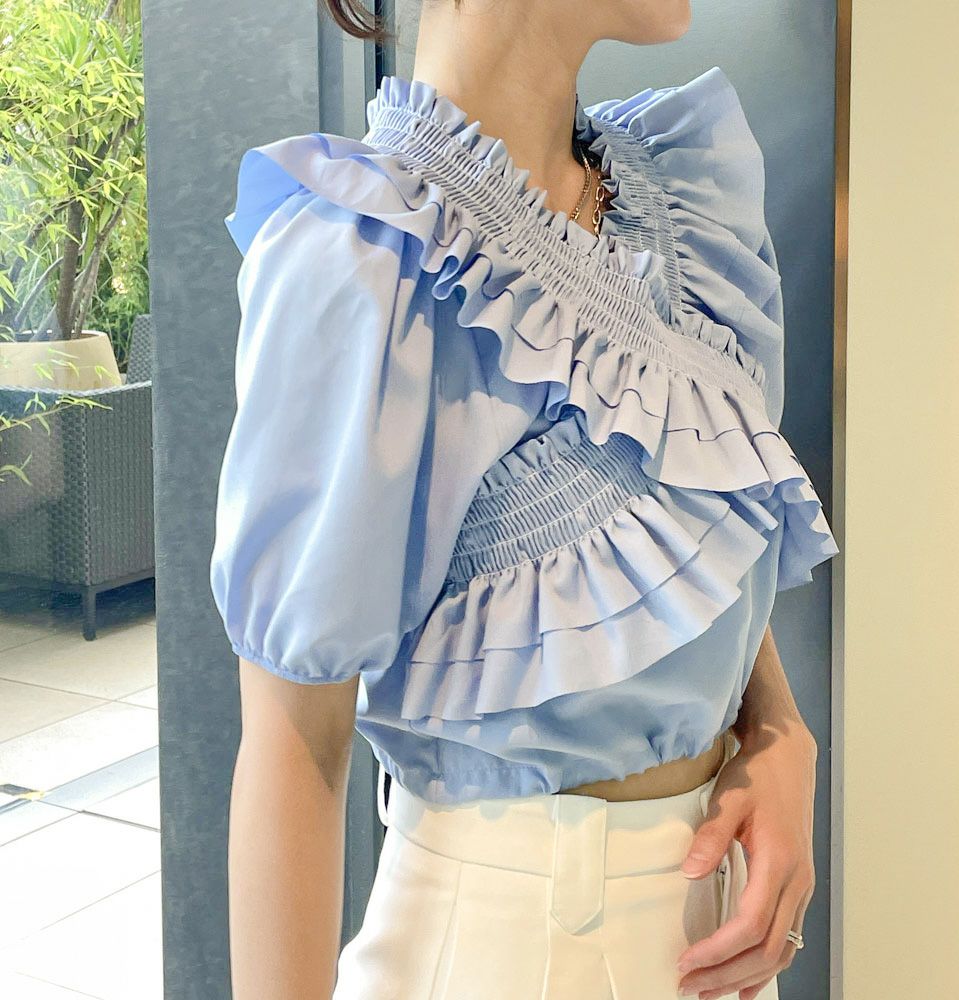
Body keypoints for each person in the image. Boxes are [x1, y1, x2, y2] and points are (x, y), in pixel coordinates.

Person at [210, 1, 840, 998]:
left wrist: (778, 730)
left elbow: (690, 516)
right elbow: (297, 746)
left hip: (707, 933)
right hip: (509, 946)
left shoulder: (677, 191)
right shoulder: (362, 257)